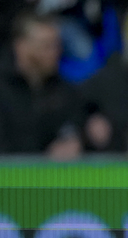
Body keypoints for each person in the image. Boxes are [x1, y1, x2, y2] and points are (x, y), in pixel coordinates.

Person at [0, 12, 82, 158]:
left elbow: (72, 127)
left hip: (52, 171)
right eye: (46, 46)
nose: (55, 52)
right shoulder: (3, 89)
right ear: (21, 46)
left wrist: (72, 142)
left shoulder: (63, 89)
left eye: (57, 45)